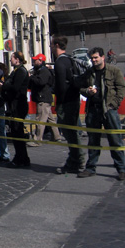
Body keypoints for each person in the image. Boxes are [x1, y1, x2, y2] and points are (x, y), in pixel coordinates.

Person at [77, 47, 125, 181]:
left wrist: (114, 104)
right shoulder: (89, 72)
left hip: (109, 110)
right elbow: (81, 88)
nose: (94, 60)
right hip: (93, 110)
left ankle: (121, 169)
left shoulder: (113, 71)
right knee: (93, 140)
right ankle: (90, 168)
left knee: (115, 140)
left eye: (96, 58)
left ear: (103, 57)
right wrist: (87, 91)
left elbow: (122, 88)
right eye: (92, 58)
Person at [51, 35, 85, 175]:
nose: (51, 47)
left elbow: (60, 86)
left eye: (52, 44)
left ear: (57, 45)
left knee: (70, 133)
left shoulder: (60, 63)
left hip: (66, 102)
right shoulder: (70, 60)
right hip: (74, 99)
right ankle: (74, 160)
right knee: (72, 132)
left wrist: (59, 101)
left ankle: (78, 159)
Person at [1, 51, 30, 168]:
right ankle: (22, 157)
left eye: (12, 58)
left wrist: (4, 86)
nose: (10, 60)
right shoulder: (17, 71)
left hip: (18, 105)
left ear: (17, 59)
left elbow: (15, 87)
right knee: (16, 132)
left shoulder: (21, 71)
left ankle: (20, 158)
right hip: (14, 105)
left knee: (17, 132)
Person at [28, 54, 62, 146]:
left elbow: (41, 82)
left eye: (35, 60)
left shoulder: (43, 71)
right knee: (50, 119)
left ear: (40, 61)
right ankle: (57, 136)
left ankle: (38, 140)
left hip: (43, 98)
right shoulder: (40, 71)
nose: (34, 62)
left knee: (40, 120)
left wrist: (31, 77)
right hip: (44, 97)